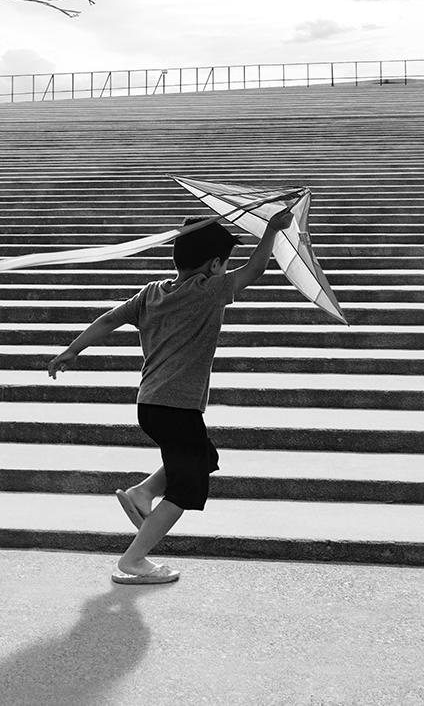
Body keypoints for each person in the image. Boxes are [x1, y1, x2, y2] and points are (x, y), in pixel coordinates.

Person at [46, 206, 295, 585]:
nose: (227, 270)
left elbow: (109, 319)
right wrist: (273, 231)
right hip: (177, 406)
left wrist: (72, 350)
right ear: (214, 266)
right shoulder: (208, 291)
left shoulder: (152, 293)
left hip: (151, 404)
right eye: (225, 263)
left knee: (202, 456)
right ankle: (134, 558)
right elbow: (255, 271)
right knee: (187, 484)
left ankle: (142, 493)